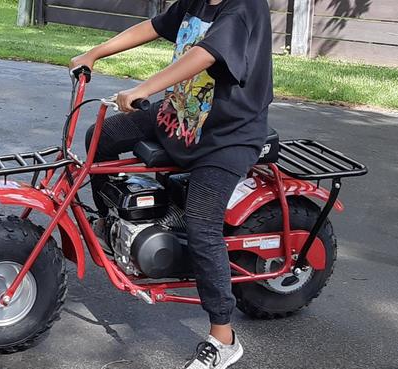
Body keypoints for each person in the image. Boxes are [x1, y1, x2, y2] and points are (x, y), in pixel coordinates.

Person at [70, 0, 273, 367]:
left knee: (202, 224)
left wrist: (143, 88)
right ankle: (110, 222)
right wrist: (94, 53)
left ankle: (223, 337)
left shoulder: (244, 7)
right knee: (99, 137)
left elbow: (206, 53)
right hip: (179, 116)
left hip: (228, 136)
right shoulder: (195, 2)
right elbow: (152, 26)